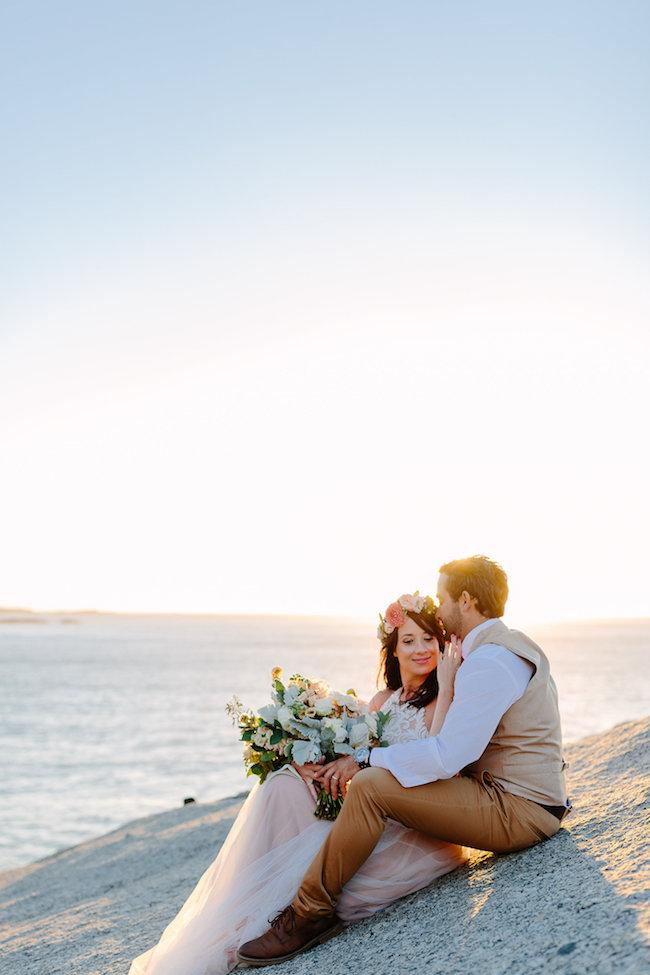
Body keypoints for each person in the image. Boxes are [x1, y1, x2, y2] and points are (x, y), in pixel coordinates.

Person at [238, 555, 571, 967]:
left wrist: (366, 758)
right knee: (349, 783)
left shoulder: (490, 662)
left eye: (442, 598)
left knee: (372, 786)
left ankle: (310, 915)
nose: (438, 609)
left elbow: (450, 754)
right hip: (507, 797)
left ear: (465, 600)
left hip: (519, 810)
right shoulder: (495, 649)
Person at [129, 593, 467, 975]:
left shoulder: (443, 699)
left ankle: (281, 912)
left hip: (408, 831)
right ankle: (252, 907)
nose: (421, 649)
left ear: (443, 646)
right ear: (392, 650)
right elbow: (355, 759)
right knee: (283, 784)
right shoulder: (382, 700)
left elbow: (443, 763)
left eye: (429, 639)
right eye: (408, 640)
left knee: (298, 811)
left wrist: (449, 683)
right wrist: (310, 765)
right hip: (369, 811)